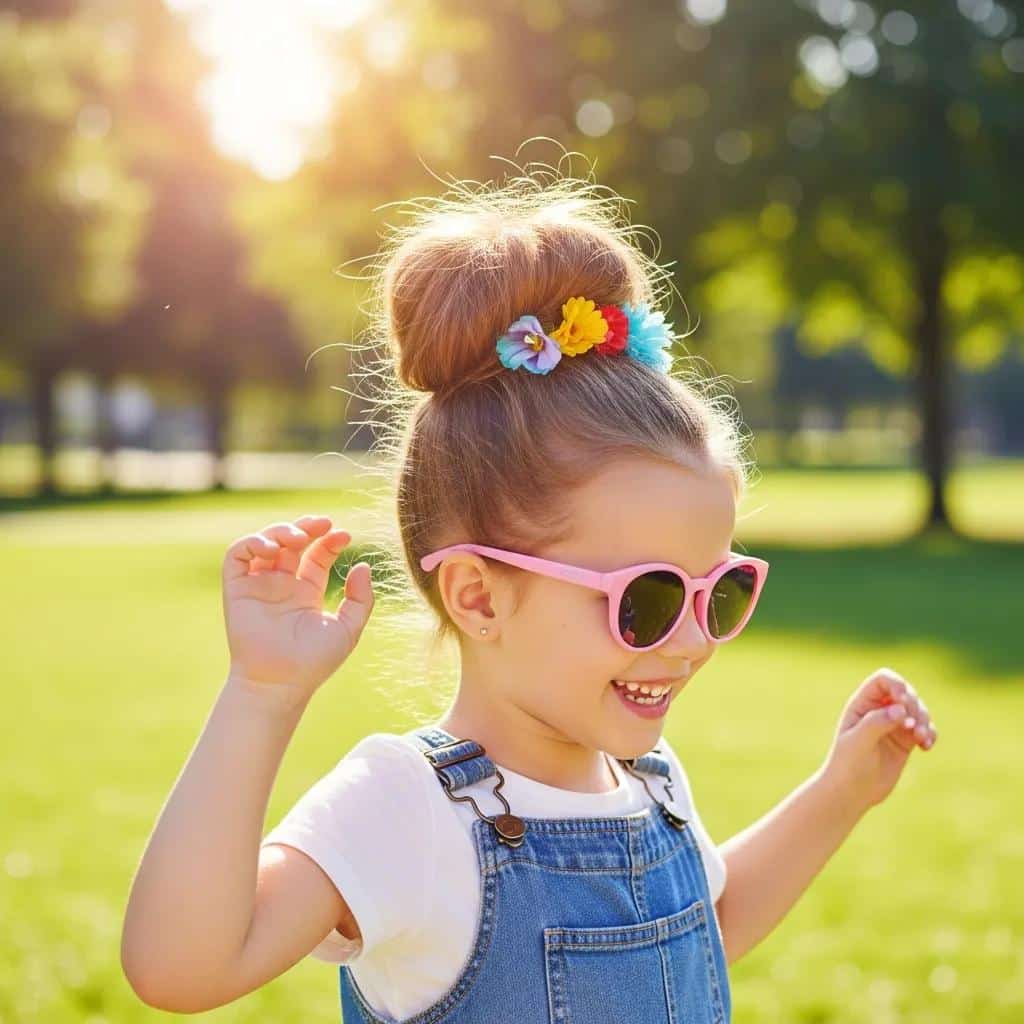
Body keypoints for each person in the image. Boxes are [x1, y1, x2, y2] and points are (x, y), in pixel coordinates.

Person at [120, 166, 938, 1022]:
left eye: (720, 592)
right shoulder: (407, 808)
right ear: (477, 598)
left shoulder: (650, 786)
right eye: (650, 601)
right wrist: (263, 694)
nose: (692, 640)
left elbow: (707, 928)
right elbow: (181, 969)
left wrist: (841, 790)